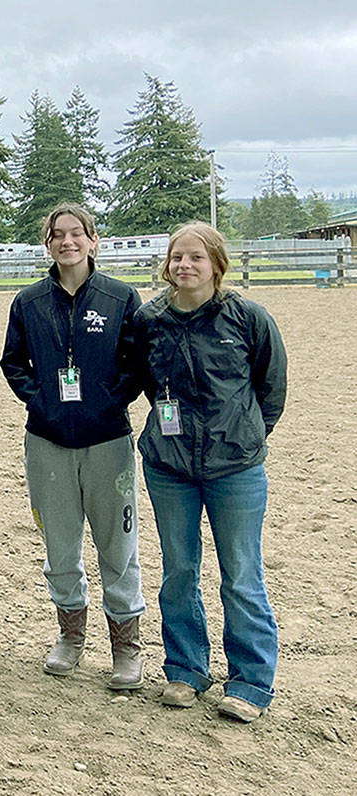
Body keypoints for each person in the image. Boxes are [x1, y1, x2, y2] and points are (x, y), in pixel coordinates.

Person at [133, 222, 286, 723]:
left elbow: (271, 387)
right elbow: (142, 383)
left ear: (216, 264)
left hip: (235, 468)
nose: (185, 266)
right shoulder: (148, 320)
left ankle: (251, 680)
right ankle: (185, 667)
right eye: (177, 257)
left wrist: (245, 435)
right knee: (179, 571)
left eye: (196, 258)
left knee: (241, 574)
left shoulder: (247, 318)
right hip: (169, 467)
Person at [0, 203, 145, 688]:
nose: (68, 242)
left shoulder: (121, 297)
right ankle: (71, 635)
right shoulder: (29, 302)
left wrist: (108, 401)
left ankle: (127, 646)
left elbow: (136, 363)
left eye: (76, 233)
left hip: (108, 441)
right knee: (60, 546)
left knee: (117, 547)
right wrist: (40, 401)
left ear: (93, 239)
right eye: (58, 235)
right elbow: (13, 362)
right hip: (48, 441)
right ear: (48, 243)